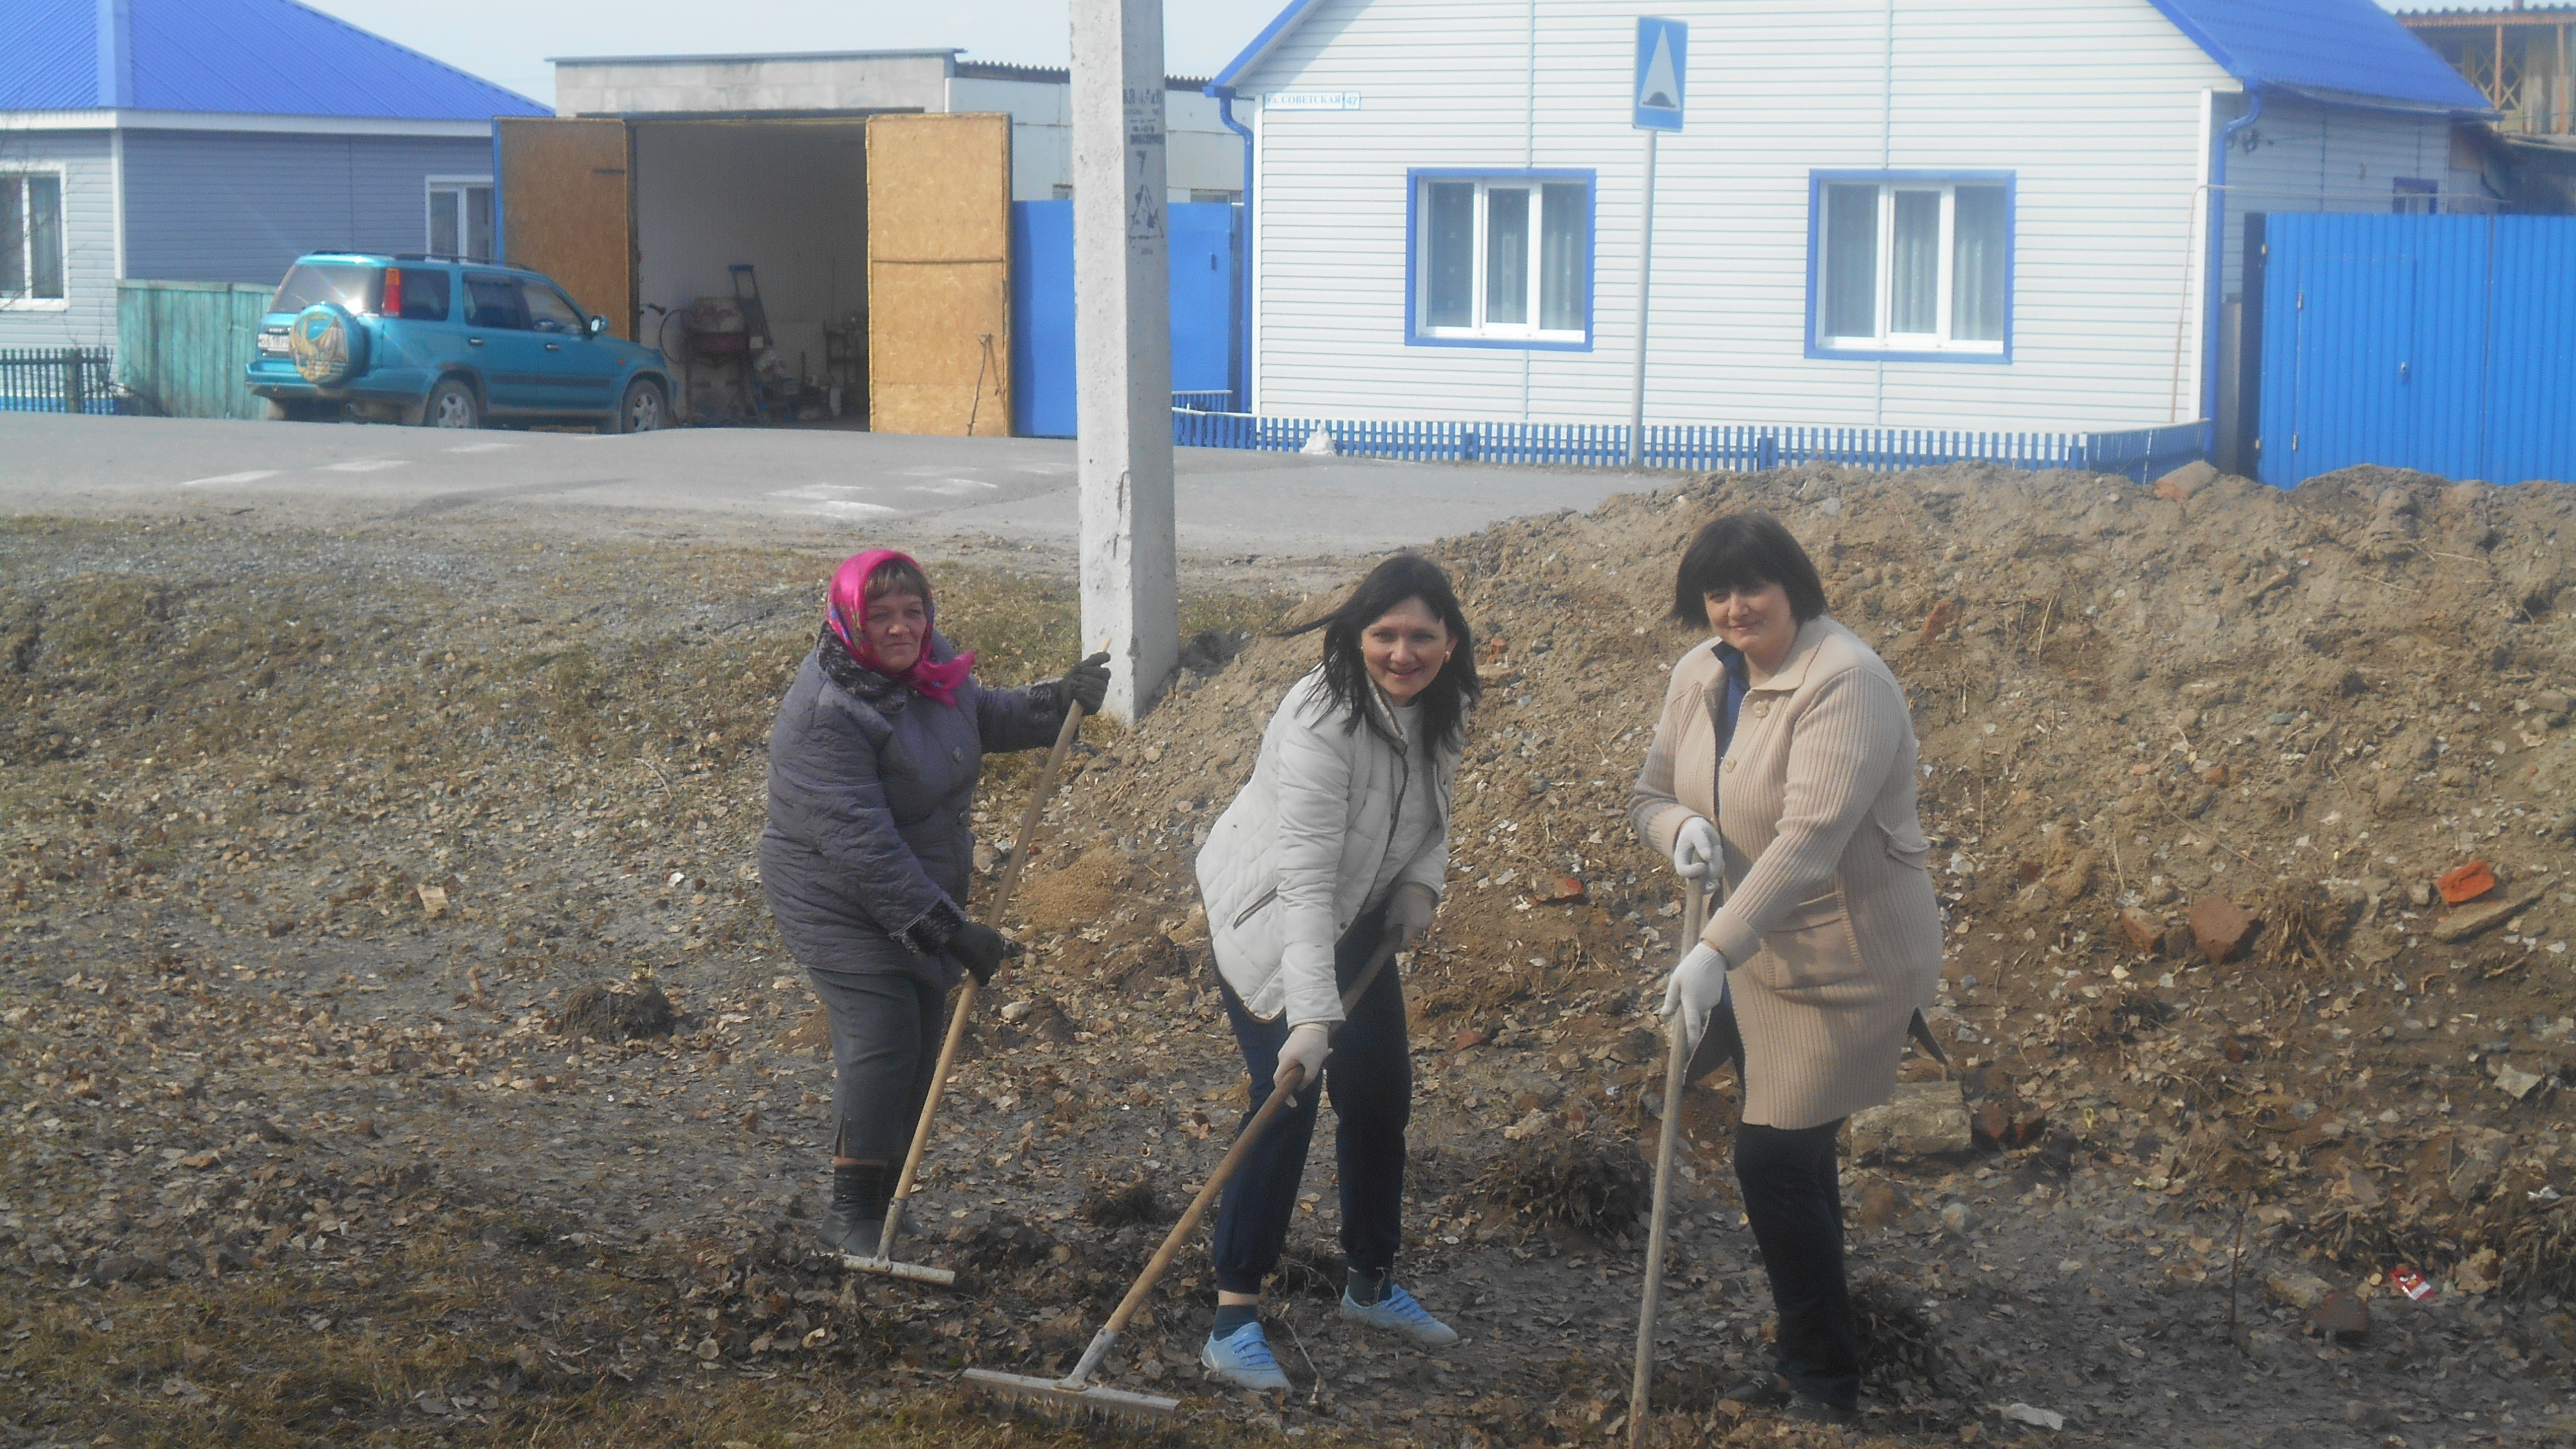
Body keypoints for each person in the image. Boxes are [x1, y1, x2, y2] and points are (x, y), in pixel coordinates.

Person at [1627, 512, 1943, 1425]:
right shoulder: (1703, 673)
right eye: (1717, 593)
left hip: (1846, 956)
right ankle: (1821, 1350)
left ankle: (1823, 1380)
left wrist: (1711, 951)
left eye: (1753, 587)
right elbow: (1648, 793)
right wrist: (1680, 829)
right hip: (1753, 947)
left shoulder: (1847, 681)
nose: (1736, 608)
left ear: (1793, 587)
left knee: (1772, 1159)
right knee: (1797, 1158)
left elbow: (1809, 843)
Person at [759, 548, 1109, 1256]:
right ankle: (851, 1214)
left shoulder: (927, 662)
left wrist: (1057, 702)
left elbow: (976, 715)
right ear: (849, 620)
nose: (901, 628)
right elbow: (863, 849)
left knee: (920, 1036)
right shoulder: (829, 710)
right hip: (835, 895)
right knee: (884, 1038)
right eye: (880, 616)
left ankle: (887, 1202)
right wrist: (951, 931)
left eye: (913, 612)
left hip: (915, 882)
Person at [1190, 553, 1481, 1391]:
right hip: (1271, 917)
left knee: (1381, 1091)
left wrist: (1421, 885)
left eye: (1421, 636)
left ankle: (1370, 1284)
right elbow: (1307, 880)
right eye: (1385, 634)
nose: (1403, 653)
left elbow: (1432, 815)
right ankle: (1233, 1318)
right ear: (1356, 637)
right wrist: (1311, 1020)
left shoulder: (1446, 706)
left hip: (1356, 915)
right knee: (1286, 1097)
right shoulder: (1321, 719)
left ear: (1449, 640)